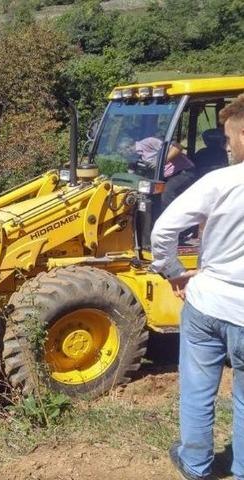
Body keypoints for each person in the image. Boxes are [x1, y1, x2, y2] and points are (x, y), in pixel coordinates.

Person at [150, 93, 244, 480]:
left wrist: (172, 270)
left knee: (197, 390)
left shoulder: (220, 181)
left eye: (228, 137)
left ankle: (196, 463)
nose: (225, 145)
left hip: (207, 304)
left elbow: (163, 230)